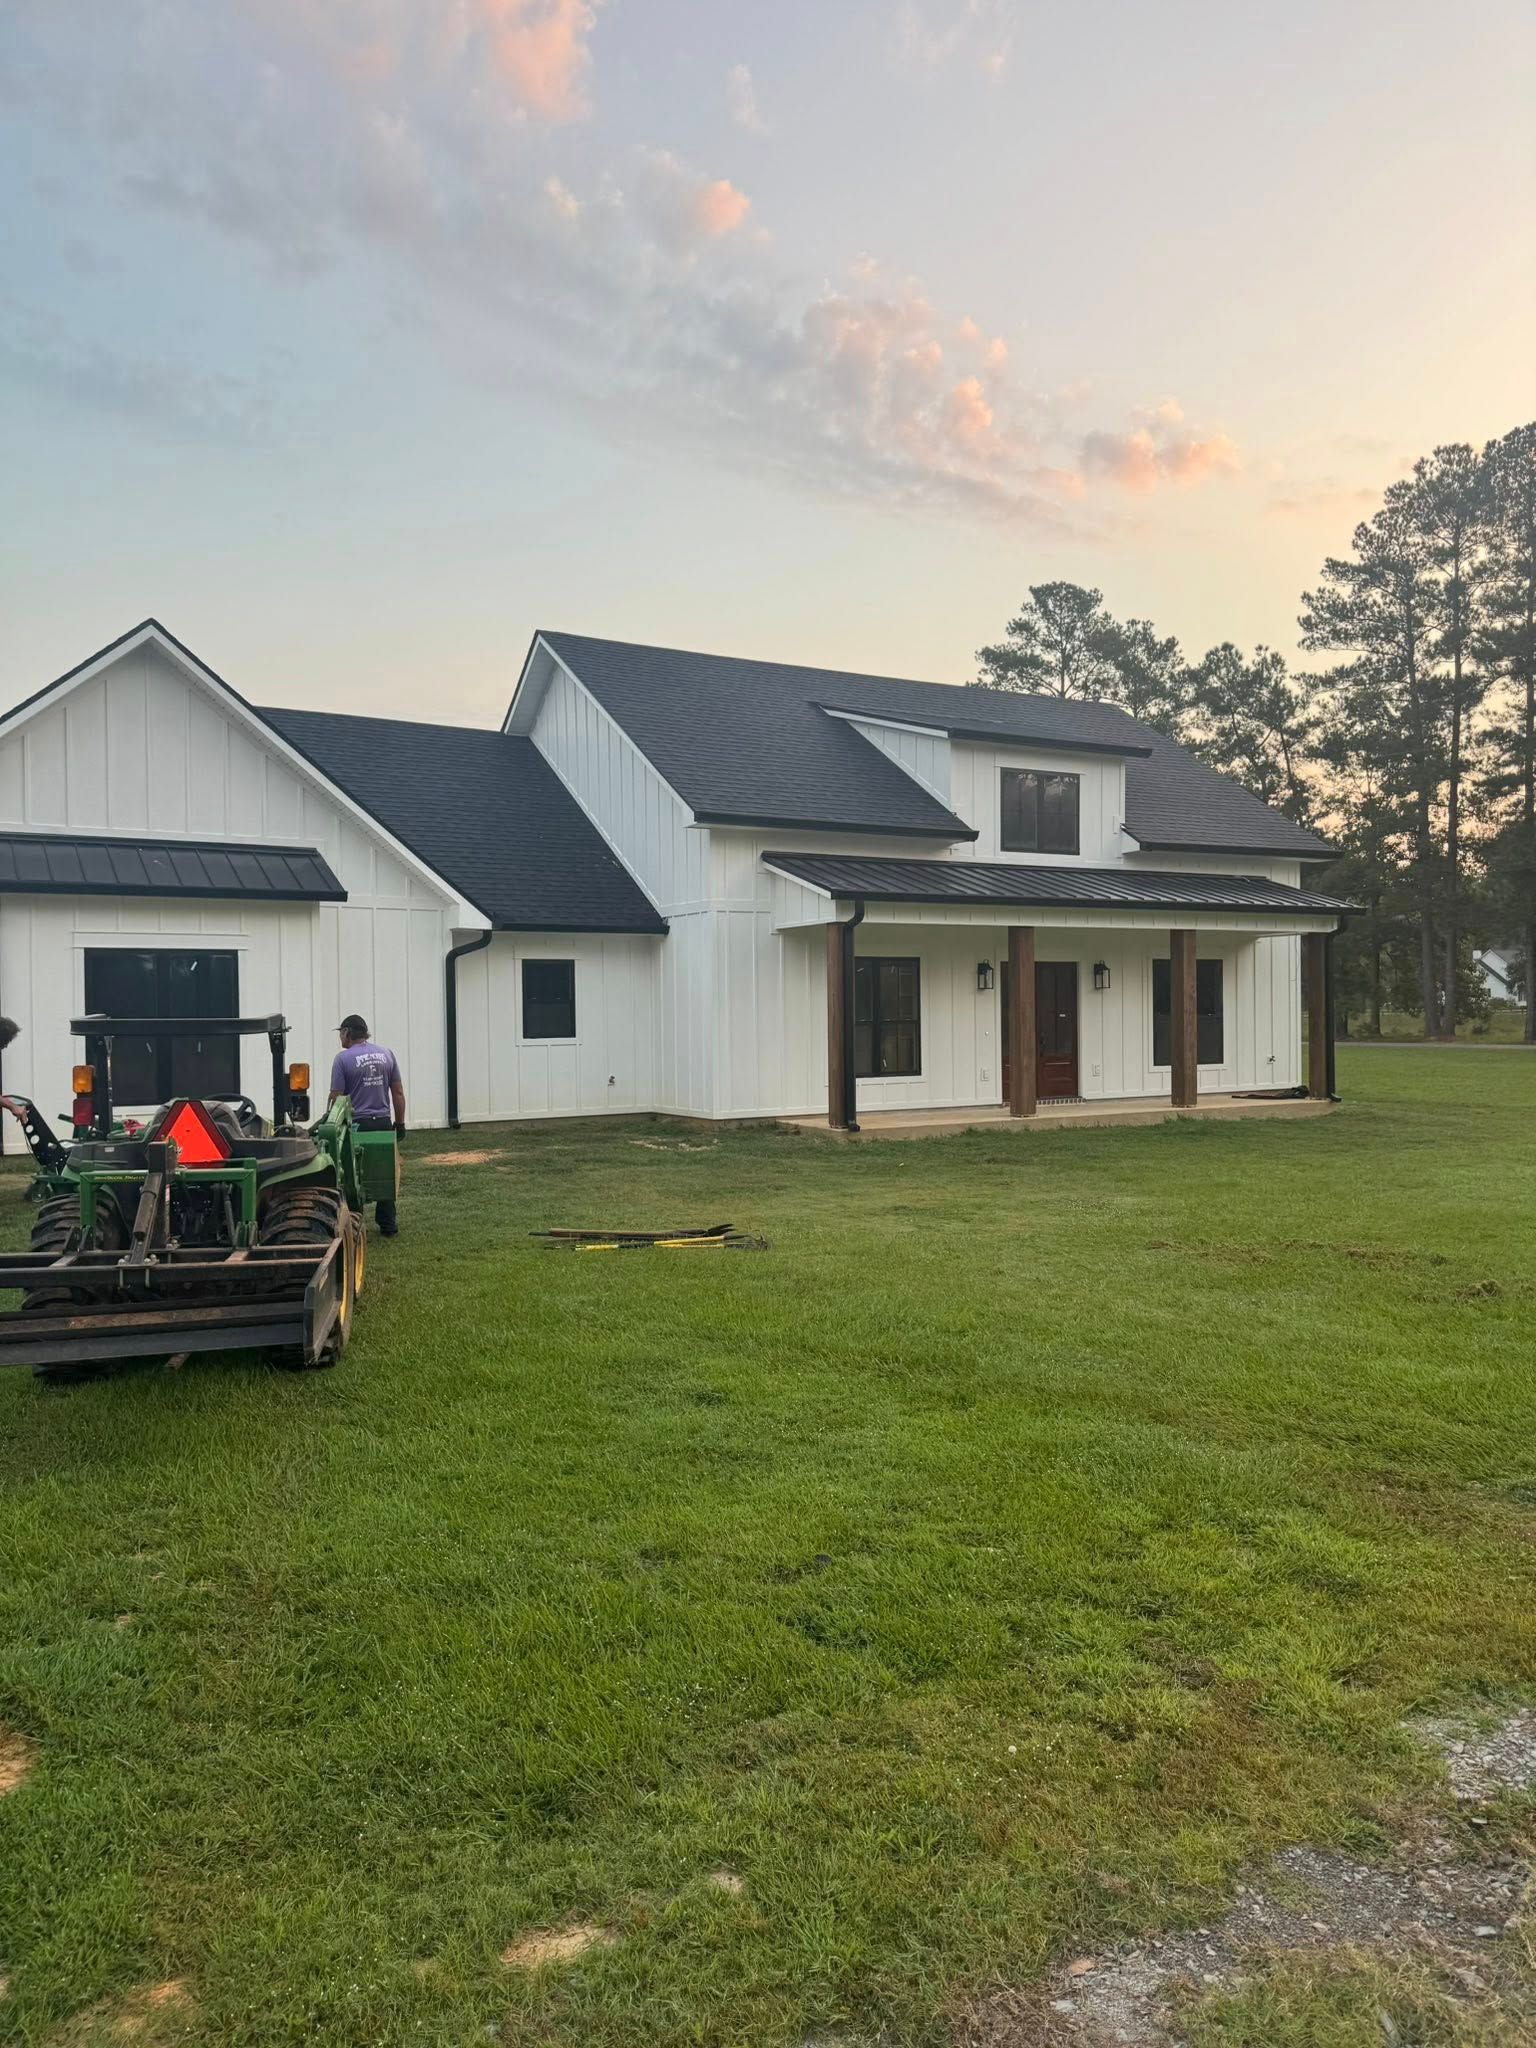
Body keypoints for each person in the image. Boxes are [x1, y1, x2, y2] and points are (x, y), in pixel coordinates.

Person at [328, 1014, 405, 1237]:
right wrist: (399, 1124)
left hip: (356, 1125)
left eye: (341, 1033)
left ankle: (354, 1225)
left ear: (348, 1033)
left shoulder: (342, 1059)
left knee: (352, 1174)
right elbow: (398, 1092)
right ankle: (388, 1225)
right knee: (385, 1171)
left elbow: (336, 1097)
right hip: (381, 1121)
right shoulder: (387, 1054)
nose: (340, 1037)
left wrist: (331, 1122)